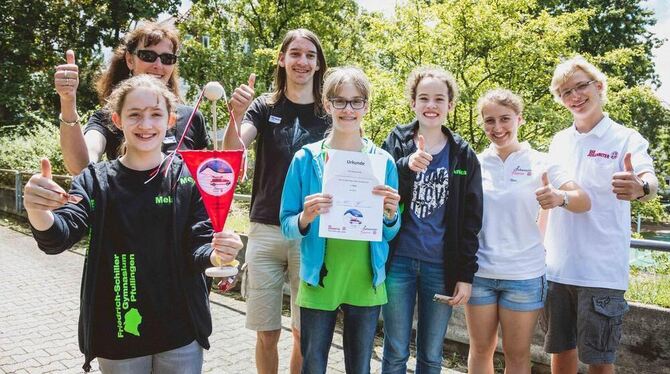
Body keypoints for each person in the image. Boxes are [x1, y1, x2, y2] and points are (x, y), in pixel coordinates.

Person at [24, 75, 244, 373]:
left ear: (171, 121)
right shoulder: (95, 181)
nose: (146, 124)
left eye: (156, 114)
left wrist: (220, 254)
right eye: (135, 115)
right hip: (119, 333)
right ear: (117, 120)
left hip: (180, 332)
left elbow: (200, 247)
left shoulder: (190, 179)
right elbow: (59, 236)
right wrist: (37, 209)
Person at [541, 56, 658, 374]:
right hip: (557, 267)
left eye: (581, 86)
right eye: (566, 92)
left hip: (601, 272)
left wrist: (640, 187)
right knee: (560, 353)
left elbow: (650, 180)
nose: (575, 96)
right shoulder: (559, 140)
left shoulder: (626, 138)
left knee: (599, 360)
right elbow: (549, 199)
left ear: (599, 86)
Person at [280, 66, 400, 374]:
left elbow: (389, 233)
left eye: (356, 101)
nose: (348, 109)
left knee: (359, 367)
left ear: (366, 106)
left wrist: (390, 215)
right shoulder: (306, 159)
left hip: (365, 278)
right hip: (320, 276)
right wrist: (305, 217)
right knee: (313, 364)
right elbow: (286, 224)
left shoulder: (382, 161)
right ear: (327, 105)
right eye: (340, 101)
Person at [223, 28, 329, 374]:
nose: (302, 61)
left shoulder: (329, 113)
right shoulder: (263, 106)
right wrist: (235, 116)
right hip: (265, 230)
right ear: (282, 60)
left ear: (318, 64)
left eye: (310, 55)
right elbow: (232, 151)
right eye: (295, 53)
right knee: (267, 333)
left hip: (310, 232)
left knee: (303, 332)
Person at [465, 89, 591, 374]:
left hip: (524, 276)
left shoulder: (541, 162)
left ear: (520, 119)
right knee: (480, 350)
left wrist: (560, 197)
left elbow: (583, 201)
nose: (497, 128)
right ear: (482, 123)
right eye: (490, 120)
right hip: (479, 273)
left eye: (505, 119)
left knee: (518, 355)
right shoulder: (473, 163)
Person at [380, 66, 482, 374]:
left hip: (441, 267)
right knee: (395, 351)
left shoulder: (463, 155)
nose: (431, 105)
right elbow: (378, 185)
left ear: (450, 105)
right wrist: (404, 166)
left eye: (439, 99)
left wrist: (465, 275)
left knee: (431, 355)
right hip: (398, 263)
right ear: (413, 103)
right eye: (423, 98)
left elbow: (471, 221)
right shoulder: (397, 141)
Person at [54, 21, 237, 175]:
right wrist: (68, 101)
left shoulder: (192, 118)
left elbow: (203, 177)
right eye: (148, 56)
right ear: (129, 60)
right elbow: (81, 167)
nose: (158, 65)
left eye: (167, 58)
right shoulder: (107, 117)